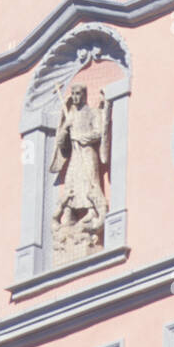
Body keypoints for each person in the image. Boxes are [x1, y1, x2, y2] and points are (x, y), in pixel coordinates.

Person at [50, 82, 110, 250]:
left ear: (84, 95)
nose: (75, 97)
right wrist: (65, 128)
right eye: (73, 94)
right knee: (71, 182)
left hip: (88, 152)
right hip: (75, 155)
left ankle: (92, 210)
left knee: (90, 181)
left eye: (78, 94)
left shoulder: (92, 113)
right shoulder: (70, 116)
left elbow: (98, 132)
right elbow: (61, 144)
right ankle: (68, 214)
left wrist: (83, 137)